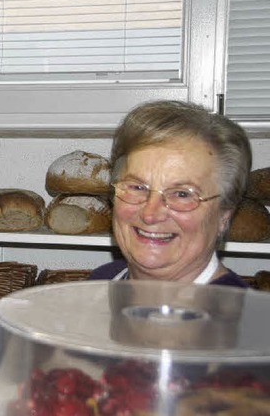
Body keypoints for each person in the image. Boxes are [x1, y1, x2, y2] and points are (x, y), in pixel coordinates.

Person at [89, 100, 251, 287]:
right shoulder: (101, 281)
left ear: (224, 215)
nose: (150, 214)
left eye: (182, 194)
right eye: (137, 187)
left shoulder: (244, 314)